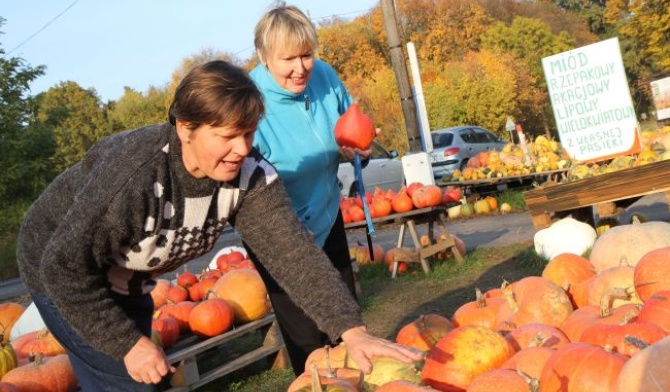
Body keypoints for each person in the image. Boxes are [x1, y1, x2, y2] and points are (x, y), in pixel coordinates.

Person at [16, 60, 422, 390]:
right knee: (125, 379)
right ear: (185, 128)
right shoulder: (135, 174)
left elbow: (294, 255)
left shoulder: (250, 176)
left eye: (248, 134)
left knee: (143, 379)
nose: (242, 149)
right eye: (228, 135)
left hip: (128, 279)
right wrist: (126, 343)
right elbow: (64, 266)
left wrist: (351, 330)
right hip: (61, 270)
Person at [247, 2, 377, 375]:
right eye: (288, 58)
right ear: (264, 57)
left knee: (345, 320)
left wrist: (358, 152)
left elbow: (351, 131)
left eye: (307, 54)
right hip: (278, 231)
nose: (301, 67)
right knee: (306, 337)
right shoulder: (249, 101)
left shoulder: (324, 76)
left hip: (326, 211)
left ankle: (353, 381)